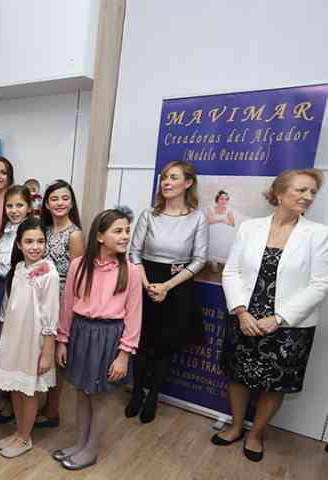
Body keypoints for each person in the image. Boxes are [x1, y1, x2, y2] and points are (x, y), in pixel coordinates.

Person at [214, 169, 328, 462]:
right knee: (238, 375)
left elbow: (320, 284)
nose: (308, 197)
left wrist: (278, 318)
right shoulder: (249, 227)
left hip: (290, 326)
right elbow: (231, 271)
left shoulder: (319, 234)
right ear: (279, 193)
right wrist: (241, 312)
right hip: (244, 318)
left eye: (312, 192)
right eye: (301, 190)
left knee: (276, 383)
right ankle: (236, 426)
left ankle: (255, 434)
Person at [55, 208, 142, 470]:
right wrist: (63, 340)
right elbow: (67, 305)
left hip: (109, 337)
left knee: (100, 396)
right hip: (81, 332)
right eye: (118, 231)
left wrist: (124, 355)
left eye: (127, 231)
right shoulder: (78, 266)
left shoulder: (131, 271)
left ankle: (91, 450)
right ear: (100, 236)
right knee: (82, 393)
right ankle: (80, 443)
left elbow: (134, 316)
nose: (125, 236)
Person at [127, 160, 208, 423]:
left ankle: (153, 397)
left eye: (173, 177)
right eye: (164, 177)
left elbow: (199, 260)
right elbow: (134, 253)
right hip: (145, 282)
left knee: (164, 346)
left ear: (188, 183)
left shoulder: (197, 218)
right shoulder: (149, 215)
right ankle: (136, 393)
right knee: (141, 343)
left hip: (177, 287)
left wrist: (166, 287)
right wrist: (147, 284)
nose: (166, 182)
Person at [0, 218, 59, 458]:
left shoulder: (49, 273)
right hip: (13, 336)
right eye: (29, 241)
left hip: (33, 340)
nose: (35, 247)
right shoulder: (18, 269)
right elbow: (7, 306)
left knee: (28, 390)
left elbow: (51, 317)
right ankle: (19, 432)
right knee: (15, 387)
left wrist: (47, 352)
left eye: (40, 241)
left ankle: (24, 437)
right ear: (19, 244)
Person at [37, 180, 85, 429]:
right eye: (54, 199)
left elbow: (77, 278)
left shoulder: (74, 234)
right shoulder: (43, 229)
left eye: (65, 198)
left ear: (72, 203)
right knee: (40, 350)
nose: (60, 203)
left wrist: (68, 309)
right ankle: (38, 403)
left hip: (61, 299)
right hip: (39, 295)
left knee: (57, 356)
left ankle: (52, 410)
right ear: (46, 203)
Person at [0, 185, 32, 424]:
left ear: (29, 207)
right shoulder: (5, 230)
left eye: (19, 205)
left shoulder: (29, 232)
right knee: (1, 341)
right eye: (10, 206)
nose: (14, 210)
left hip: (17, 288)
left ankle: (12, 401)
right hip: (0, 285)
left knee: (13, 343)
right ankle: (3, 394)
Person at [206, 189, 237, 269]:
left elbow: (232, 223)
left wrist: (224, 221)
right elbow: (209, 221)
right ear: (217, 199)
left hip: (225, 231)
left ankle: (222, 260)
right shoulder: (211, 208)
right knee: (213, 243)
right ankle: (214, 261)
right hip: (213, 230)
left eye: (226, 199)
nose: (224, 201)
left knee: (225, 241)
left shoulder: (228, 210)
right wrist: (222, 220)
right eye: (221, 199)